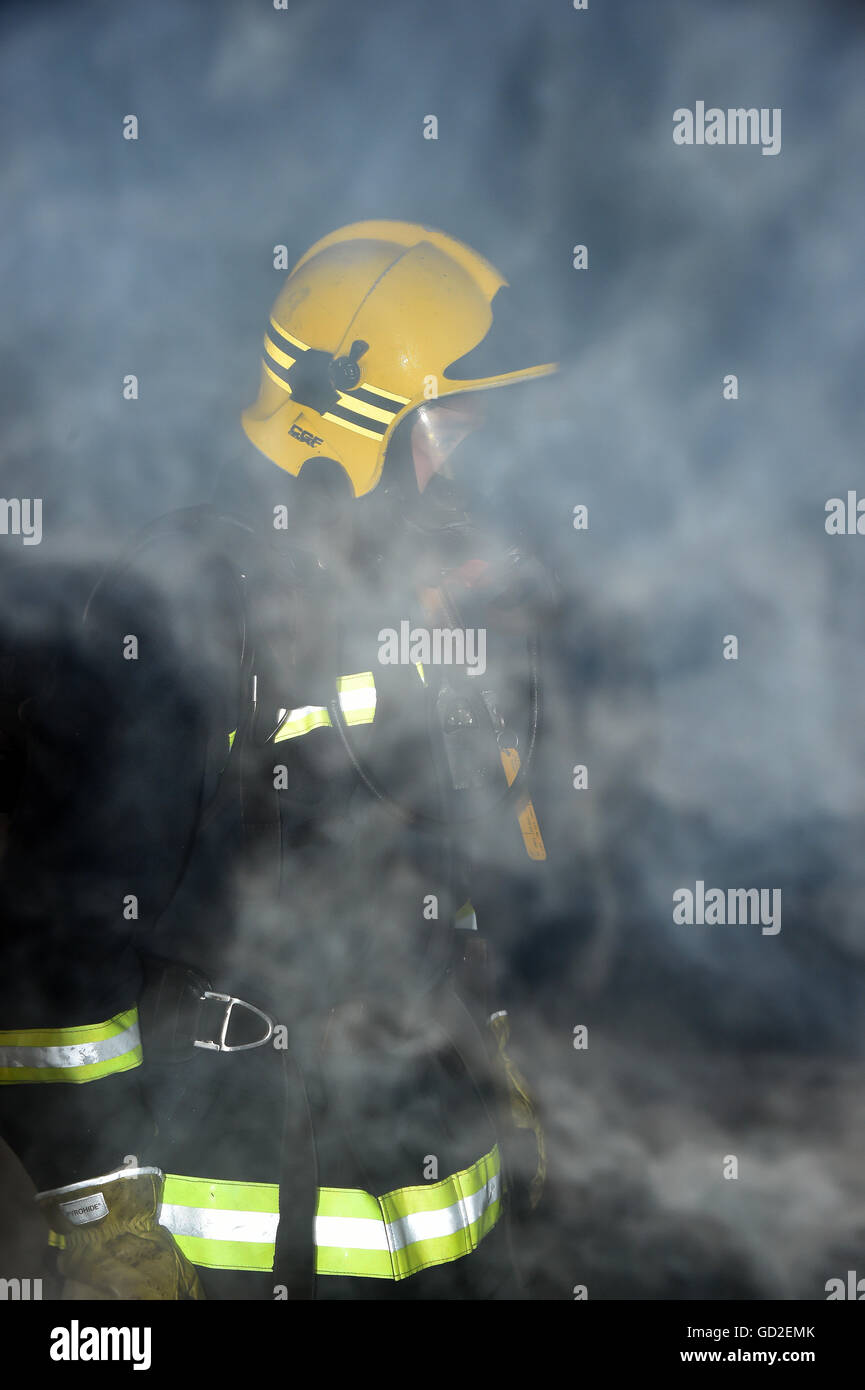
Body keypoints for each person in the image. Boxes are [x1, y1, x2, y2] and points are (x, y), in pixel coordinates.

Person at [0, 221, 554, 1299]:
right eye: (454, 429)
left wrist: (488, 1051)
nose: (476, 467)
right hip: (242, 1225)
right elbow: (56, 929)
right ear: (355, 420)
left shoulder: (416, 605)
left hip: (426, 1202)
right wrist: (102, 1213)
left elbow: (437, 867)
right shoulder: (188, 608)